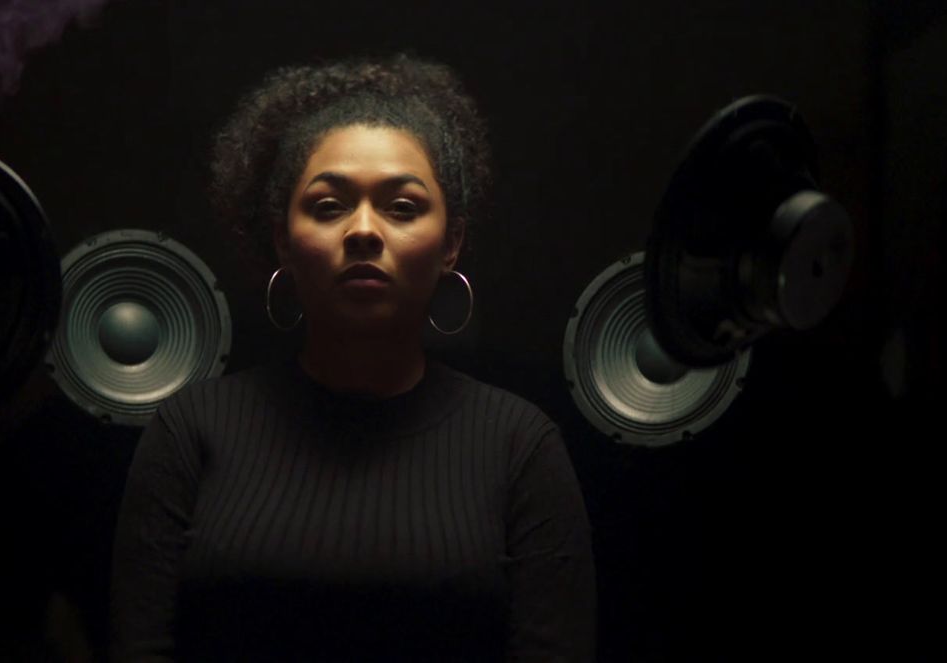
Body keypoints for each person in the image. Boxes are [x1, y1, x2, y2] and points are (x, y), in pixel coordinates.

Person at [109, 54, 596, 662]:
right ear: (284, 237)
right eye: (329, 204)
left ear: (451, 243)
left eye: (402, 207)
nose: (364, 231)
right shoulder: (191, 432)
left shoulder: (519, 446)